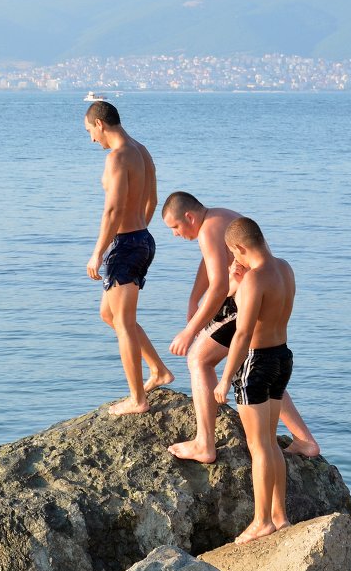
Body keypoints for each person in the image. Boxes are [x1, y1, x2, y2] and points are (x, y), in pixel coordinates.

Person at [160, 191, 318, 461]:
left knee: (199, 358)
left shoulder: (209, 230)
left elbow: (220, 285)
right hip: (262, 293)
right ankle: (305, 440)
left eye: (175, 227)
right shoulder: (220, 217)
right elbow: (211, 264)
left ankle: (204, 443)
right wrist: (193, 300)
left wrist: (190, 331)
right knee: (262, 367)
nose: (175, 234)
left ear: (189, 216)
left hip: (246, 299)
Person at [83, 101, 174, 416]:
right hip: (141, 239)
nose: (93, 140)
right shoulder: (142, 151)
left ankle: (138, 399)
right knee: (109, 315)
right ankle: (158, 371)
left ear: (100, 124)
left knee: (122, 322)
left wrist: (99, 252)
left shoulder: (118, 157)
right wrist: (140, 232)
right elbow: (153, 199)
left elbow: (113, 210)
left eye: (90, 132)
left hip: (126, 245)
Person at [212, 217, 295, 543]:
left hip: (256, 363)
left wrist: (224, 378)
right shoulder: (284, 268)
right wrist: (239, 285)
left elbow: (242, 333)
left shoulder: (253, 282)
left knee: (258, 446)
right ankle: (280, 516)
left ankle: (261, 521)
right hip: (282, 358)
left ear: (240, 248)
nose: (234, 261)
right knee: (271, 441)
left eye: (234, 254)